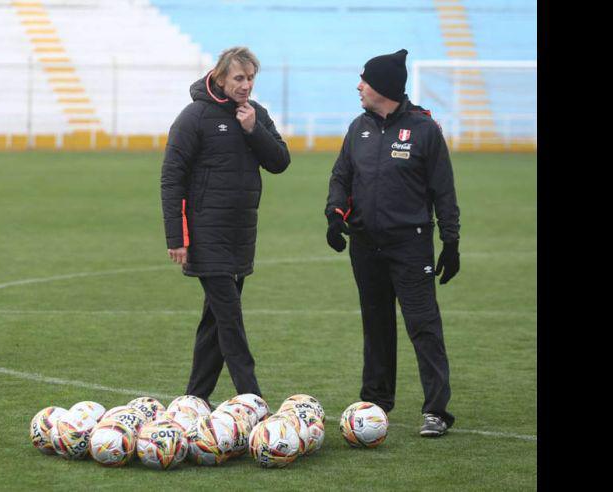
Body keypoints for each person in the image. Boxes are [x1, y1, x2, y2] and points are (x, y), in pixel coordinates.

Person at [324, 49, 461, 437]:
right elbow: (341, 177)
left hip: (410, 245)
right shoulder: (358, 128)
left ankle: (436, 410)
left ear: (382, 87)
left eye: (364, 80)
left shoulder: (424, 130)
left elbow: (444, 192)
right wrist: (335, 215)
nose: (358, 86)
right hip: (365, 246)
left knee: (423, 325)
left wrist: (450, 241)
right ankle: (375, 404)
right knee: (376, 325)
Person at [161, 47, 290, 405]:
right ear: (220, 77)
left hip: (240, 234)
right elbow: (172, 179)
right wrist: (177, 237)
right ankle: (253, 399)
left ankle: (194, 398)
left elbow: (280, 161)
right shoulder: (194, 117)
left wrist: (253, 131)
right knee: (230, 320)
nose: (246, 85)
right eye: (239, 78)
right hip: (205, 235)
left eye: (250, 78)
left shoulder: (256, 114)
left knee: (215, 322)